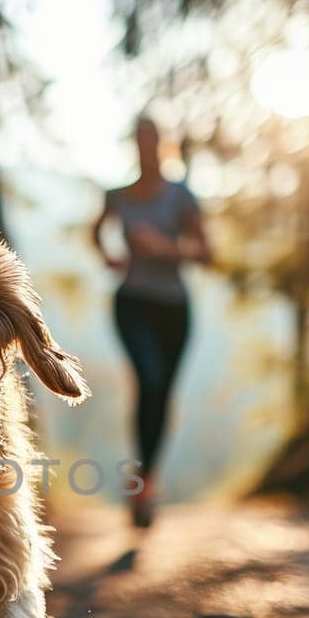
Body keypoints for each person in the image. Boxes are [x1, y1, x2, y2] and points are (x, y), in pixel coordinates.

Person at [92, 115, 212, 528]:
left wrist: (163, 247)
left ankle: (146, 482)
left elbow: (206, 252)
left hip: (174, 309)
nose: (145, 145)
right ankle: (143, 487)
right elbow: (95, 231)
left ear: (162, 143)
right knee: (149, 380)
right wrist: (108, 256)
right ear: (134, 144)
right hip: (132, 304)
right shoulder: (119, 195)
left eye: (151, 138)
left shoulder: (180, 196)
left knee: (161, 394)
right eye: (139, 139)